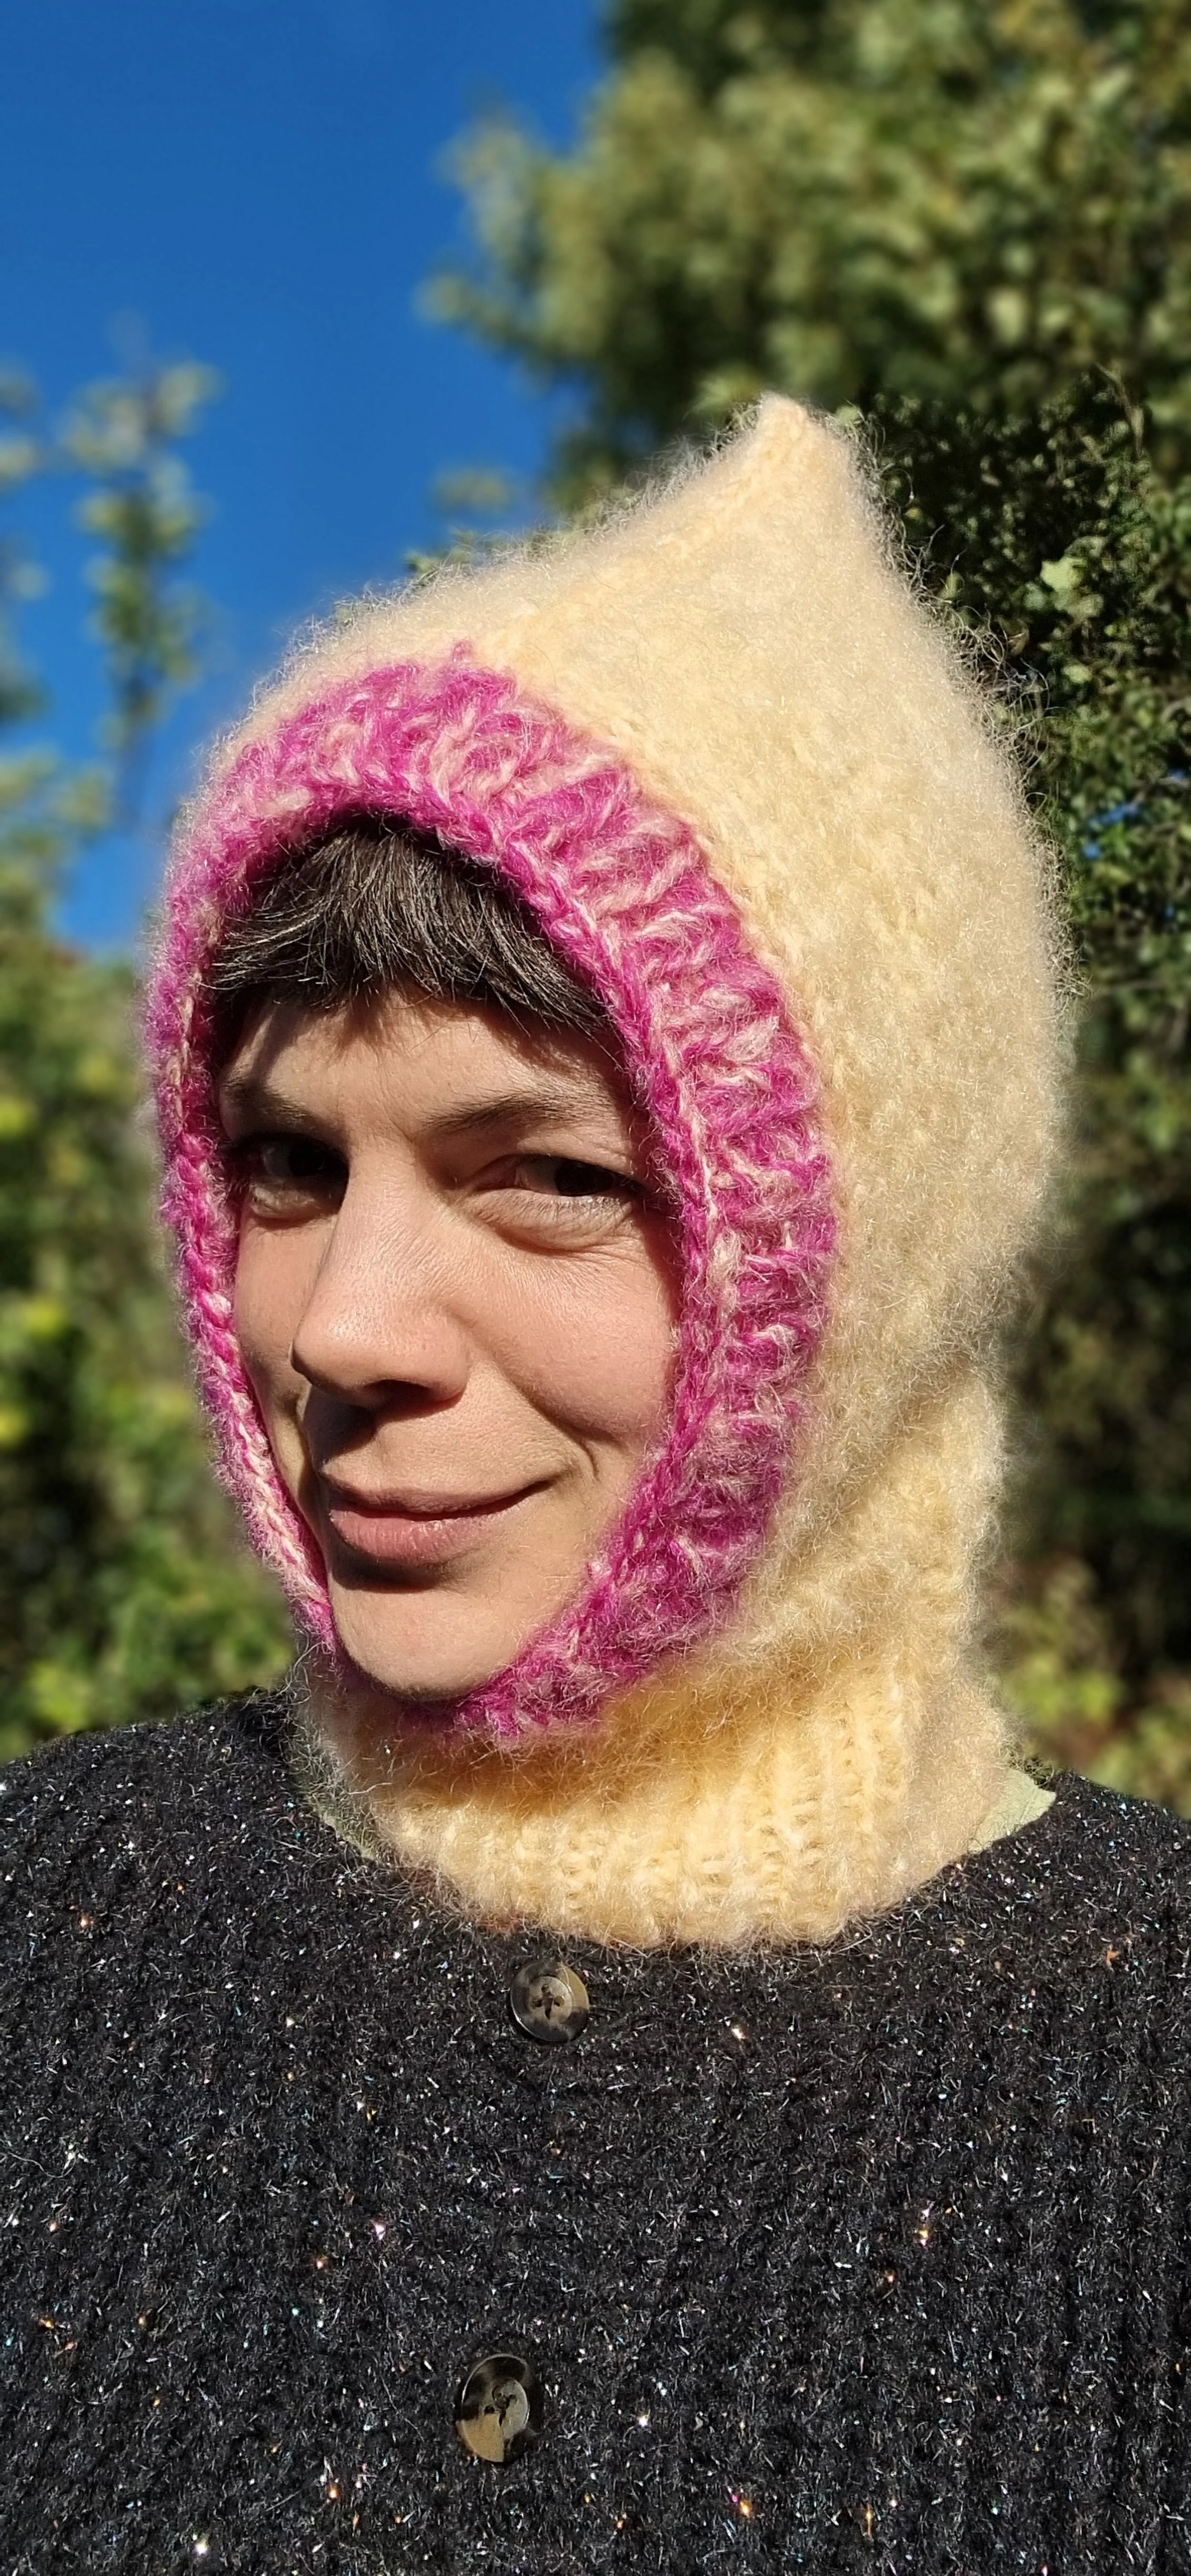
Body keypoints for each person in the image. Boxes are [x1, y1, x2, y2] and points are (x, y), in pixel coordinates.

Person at [1, 398, 1188, 2573]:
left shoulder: (1146, 2056)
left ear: (876, 1258)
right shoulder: (46, 1908)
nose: (342, 1323)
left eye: (543, 1174)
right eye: (285, 1162)